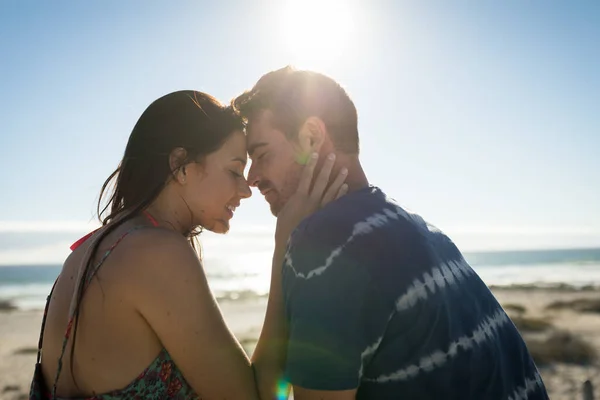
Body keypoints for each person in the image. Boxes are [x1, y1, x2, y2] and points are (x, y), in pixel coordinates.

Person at [232, 66, 550, 400]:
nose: (252, 179)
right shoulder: (419, 231)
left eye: (262, 155)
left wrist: (285, 246)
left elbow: (268, 391)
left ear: (311, 137)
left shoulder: (328, 246)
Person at [29, 90, 347, 399]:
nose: (246, 189)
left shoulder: (90, 249)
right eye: (235, 170)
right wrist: (286, 247)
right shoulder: (157, 254)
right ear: (180, 164)